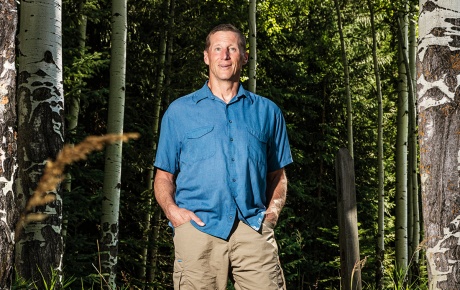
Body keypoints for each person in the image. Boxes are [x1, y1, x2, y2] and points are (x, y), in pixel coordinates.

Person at [153, 23, 293, 290]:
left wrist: (271, 216)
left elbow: (278, 176)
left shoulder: (268, 112)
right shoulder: (178, 112)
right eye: (217, 48)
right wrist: (174, 215)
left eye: (232, 48)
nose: (224, 55)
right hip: (197, 230)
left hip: (253, 229)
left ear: (245, 56)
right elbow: (164, 176)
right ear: (206, 57)